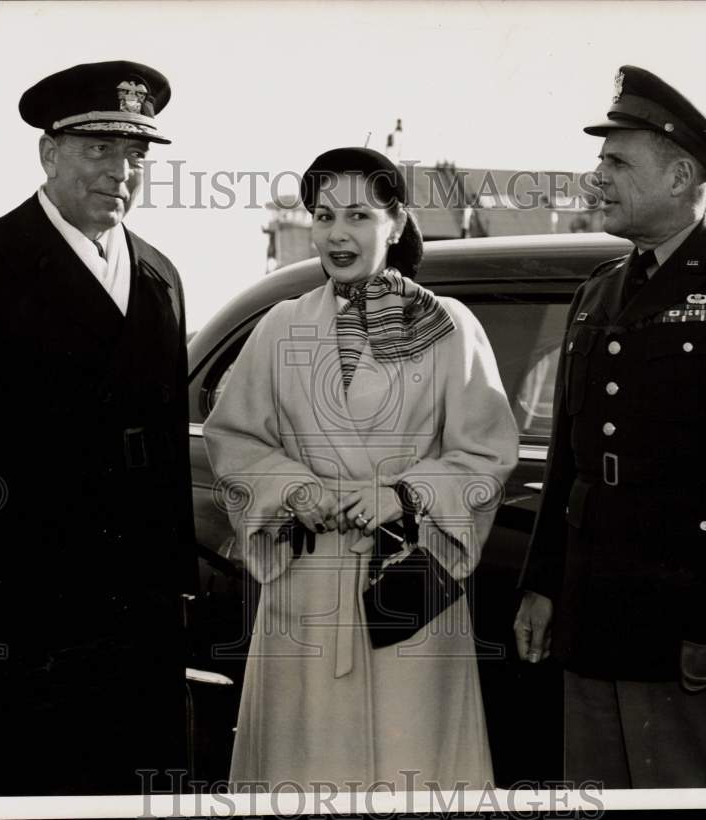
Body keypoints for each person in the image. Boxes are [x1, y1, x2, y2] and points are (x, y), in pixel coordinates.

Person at [0, 61, 196, 796]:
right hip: (13, 605)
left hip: (133, 614)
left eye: (135, 154)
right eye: (98, 149)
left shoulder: (160, 277)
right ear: (49, 152)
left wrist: (176, 591)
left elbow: (164, 459)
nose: (120, 171)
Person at [513, 65, 706, 788]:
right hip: (592, 619)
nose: (597, 177)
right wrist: (543, 584)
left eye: (617, 161)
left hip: (694, 622)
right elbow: (569, 460)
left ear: (682, 175)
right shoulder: (600, 291)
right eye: (600, 160)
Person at [203, 147, 518, 791]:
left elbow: (487, 452)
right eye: (322, 216)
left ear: (397, 224)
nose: (337, 234)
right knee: (304, 768)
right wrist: (292, 488)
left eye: (359, 215)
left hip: (409, 582)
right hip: (305, 585)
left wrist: (407, 493)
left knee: (414, 768)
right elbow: (232, 439)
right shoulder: (280, 327)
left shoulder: (449, 328)